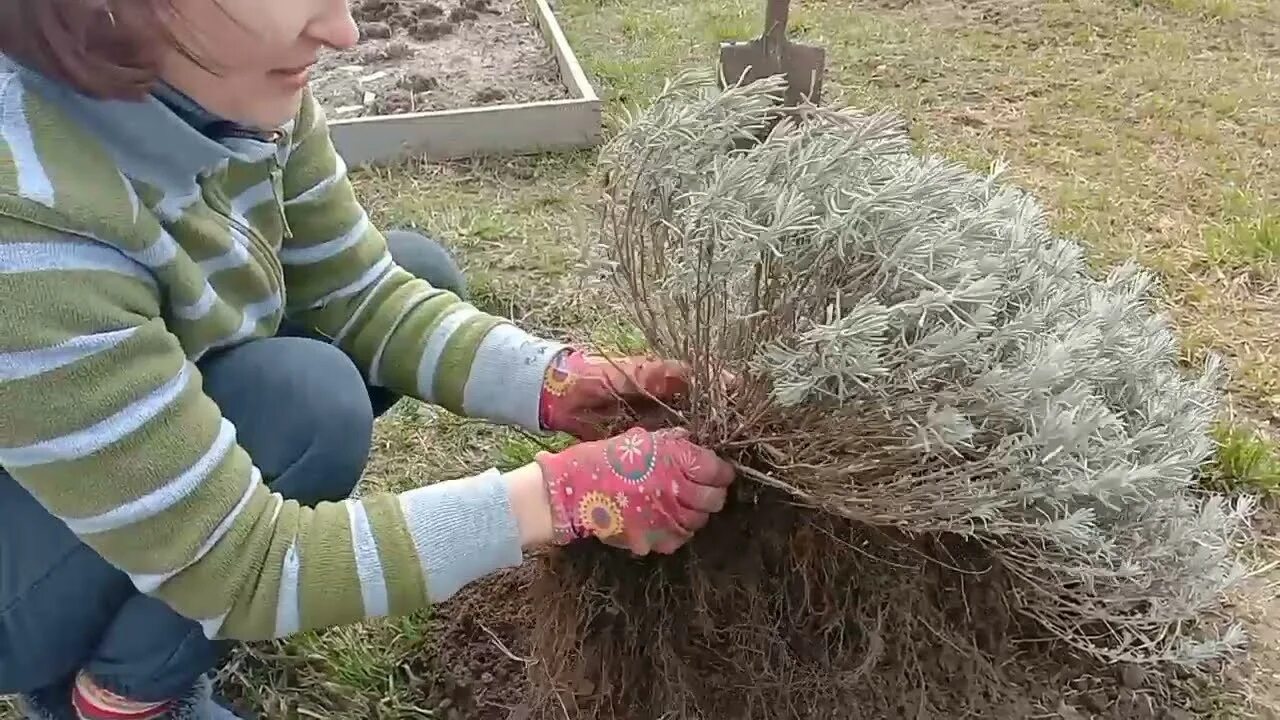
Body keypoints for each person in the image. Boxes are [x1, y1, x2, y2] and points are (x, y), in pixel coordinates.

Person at [0, 1, 737, 718]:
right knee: (308, 403)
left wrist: (555, 383)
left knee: (419, 269)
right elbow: (249, 567)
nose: (343, 30)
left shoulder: (226, 86)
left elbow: (360, 291)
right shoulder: (28, 221)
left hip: (91, 462)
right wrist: (561, 498)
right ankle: (124, 692)